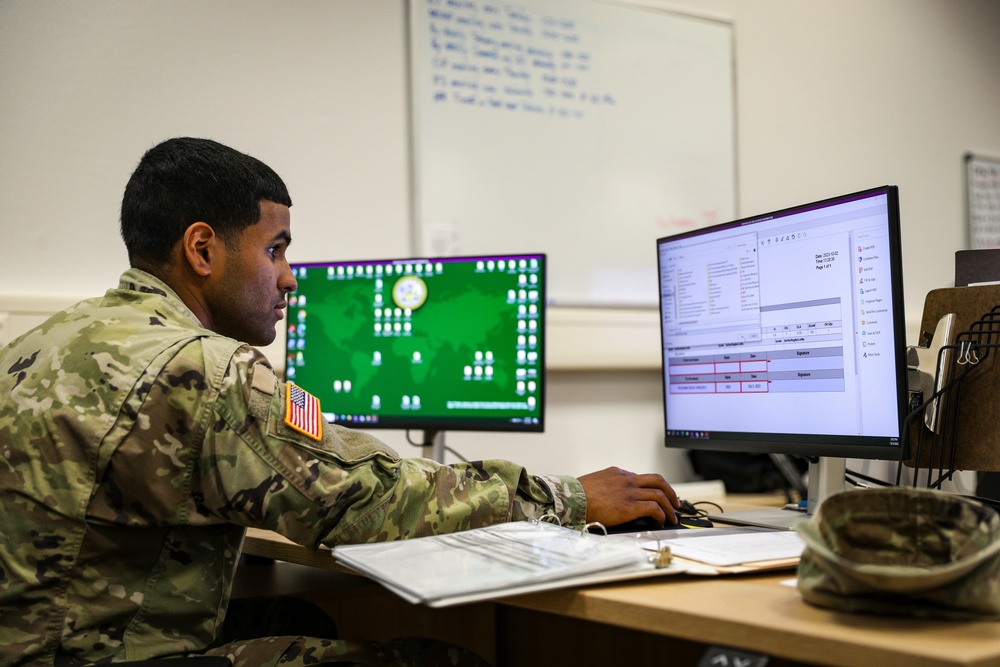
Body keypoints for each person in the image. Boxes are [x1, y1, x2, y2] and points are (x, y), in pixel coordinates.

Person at [0, 137, 679, 667]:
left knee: (307, 624)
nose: (291, 278)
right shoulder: (205, 370)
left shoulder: (37, 344)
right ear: (202, 248)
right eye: (275, 249)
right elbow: (375, 503)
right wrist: (569, 497)